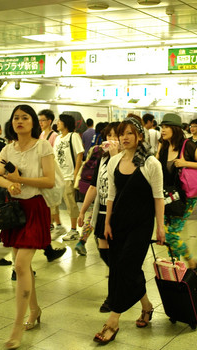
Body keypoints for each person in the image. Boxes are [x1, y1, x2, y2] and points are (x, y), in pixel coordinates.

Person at [94, 114, 165, 344]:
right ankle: (146, 306)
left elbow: (158, 198)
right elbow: (112, 194)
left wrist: (160, 228)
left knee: (125, 266)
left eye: (129, 133)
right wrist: (106, 221)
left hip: (141, 225)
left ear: (139, 136)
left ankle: (113, 320)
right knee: (124, 268)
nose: (124, 137)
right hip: (118, 223)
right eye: (121, 133)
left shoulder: (150, 163)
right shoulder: (115, 161)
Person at [0, 104, 57, 349]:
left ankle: (16, 327)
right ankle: (35, 310)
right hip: (15, 211)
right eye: (16, 118)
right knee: (23, 267)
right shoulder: (8, 149)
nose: (20, 121)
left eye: (25, 117)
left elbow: (49, 181)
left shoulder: (43, 146)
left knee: (20, 265)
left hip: (34, 208)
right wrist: (8, 185)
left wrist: (19, 179)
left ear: (34, 123)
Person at [158, 113, 197, 272]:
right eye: (162, 127)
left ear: (175, 129)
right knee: (168, 232)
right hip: (167, 196)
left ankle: (191, 261)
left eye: (166, 127)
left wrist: (185, 163)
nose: (163, 130)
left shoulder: (187, 145)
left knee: (171, 235)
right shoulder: (164, 147)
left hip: (185, 197)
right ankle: (175, 264)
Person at [78, 122, 120, 311]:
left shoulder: (126, 160)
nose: (111, 140)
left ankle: (114, 296)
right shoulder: (102, 159)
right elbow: (94, 186)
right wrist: (83, 210)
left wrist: (114, 156)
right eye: (108, 136)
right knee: (105, 251)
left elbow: (120, 183)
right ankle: (121, 284)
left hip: (119, 214)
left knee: (117, 256)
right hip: (102, 212)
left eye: (115, 136)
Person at [52, 113, 84, 242]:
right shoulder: (58, 138)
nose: (57, 123)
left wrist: (75, 173)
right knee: (53, 202)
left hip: (69, 175)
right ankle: (58, 226)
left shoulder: (73, 136)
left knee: (71, 203)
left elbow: (80, 154)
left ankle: (74, 230)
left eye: (59, 121)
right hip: (58, 176)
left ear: (66, 123)